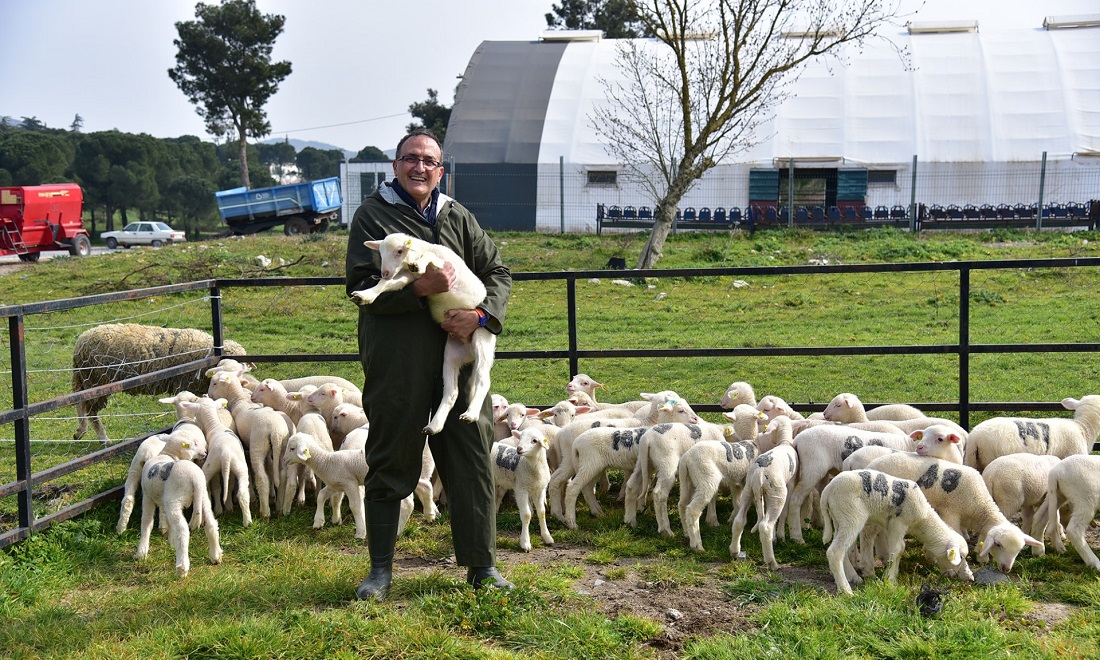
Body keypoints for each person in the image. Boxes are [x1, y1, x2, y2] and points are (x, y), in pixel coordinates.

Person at [345, 128, 513, 600]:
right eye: (410, 159)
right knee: (389, 459)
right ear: (395, 166)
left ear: (441, 170)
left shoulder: (456, 215)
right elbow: (359, 285)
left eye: (429, 161)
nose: (420, 167)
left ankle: (482, 567)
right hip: (398, 362)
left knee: (472, 458)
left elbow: (497, 271)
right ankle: (379, 571)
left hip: (458, 363)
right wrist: (420, 289)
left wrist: (480, 316)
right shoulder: (373, 216)